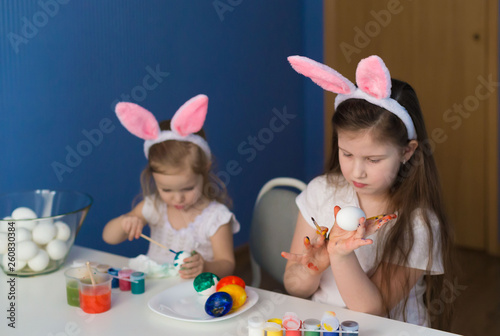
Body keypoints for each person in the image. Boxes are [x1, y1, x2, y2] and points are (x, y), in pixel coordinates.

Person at [282, 55, 455, 329]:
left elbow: (369, 311)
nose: (356, 172)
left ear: (407, 152)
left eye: (373, 160)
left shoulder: (418, 223)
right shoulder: (321, 191)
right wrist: (312, 267)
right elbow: (295, 287)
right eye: (347, 153)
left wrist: (339, 255)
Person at [103, 94, 240, 279]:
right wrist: (126, 221)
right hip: (153, 296)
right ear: (154, 178)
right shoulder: (153, 207)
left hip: (194, 299)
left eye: (187, 188)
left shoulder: (216, 218)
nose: (177, 198)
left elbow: (227, 265)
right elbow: (109, 237)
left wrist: (205, 266)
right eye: (166, 190)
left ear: (205, 170)